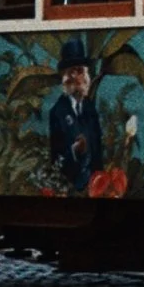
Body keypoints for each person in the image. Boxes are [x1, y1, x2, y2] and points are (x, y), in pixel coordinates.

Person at [48, 39, 103, 193]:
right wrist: (75, 150)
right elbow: (55, 158)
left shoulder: (90, 109)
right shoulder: (58, 112)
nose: (85, 77)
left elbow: (98, 150)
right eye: (80, 71)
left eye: (83, 71)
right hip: (71, 190)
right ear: (71, 75)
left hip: (94, 189)